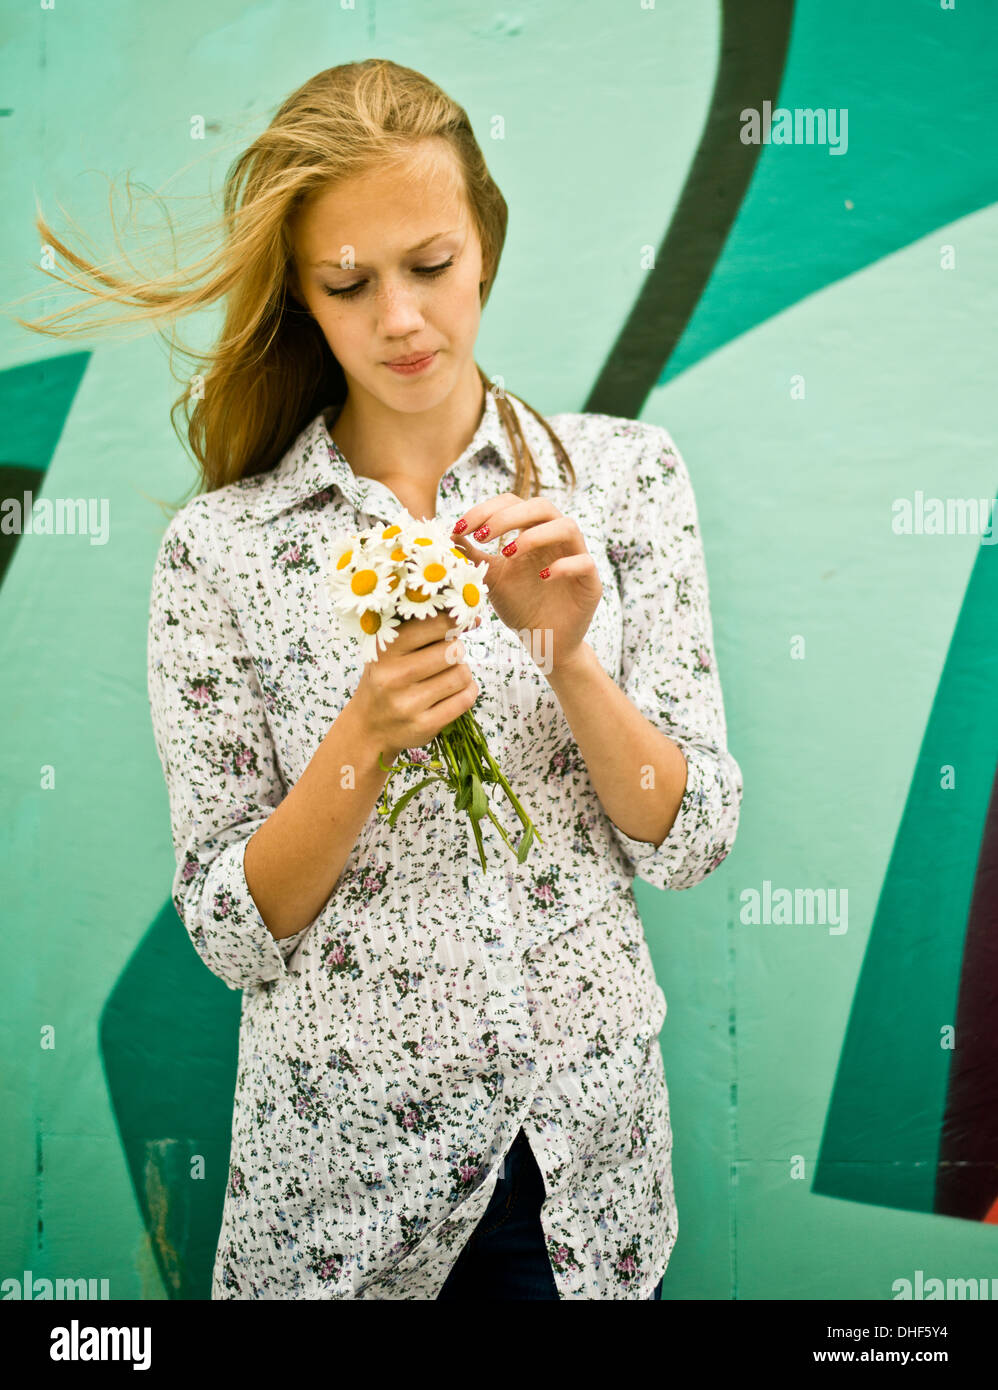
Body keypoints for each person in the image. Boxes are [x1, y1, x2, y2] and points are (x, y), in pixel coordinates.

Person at [21, 58, 742, 1300]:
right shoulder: (226, 548)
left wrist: (569, 658)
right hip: (340, 1203)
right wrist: (359, 738)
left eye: (431, 266)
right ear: (302, 297)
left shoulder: (620, 482)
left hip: (585, 1175)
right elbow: (228, 929)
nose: (400, 318)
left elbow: (689, 838)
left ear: (486, 252)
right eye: (347, 284)